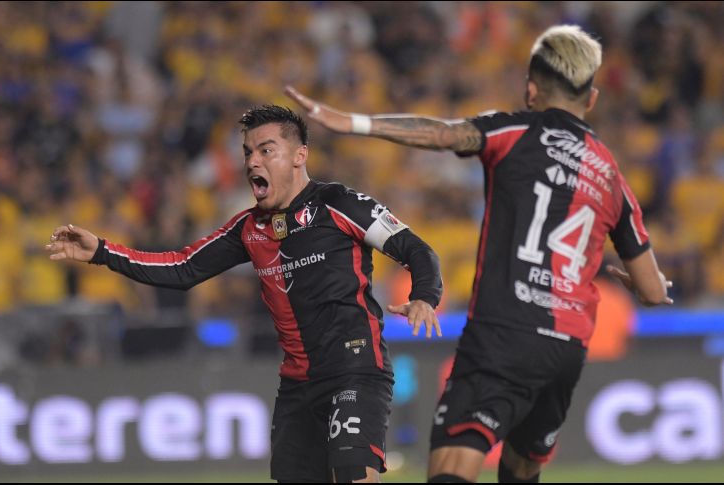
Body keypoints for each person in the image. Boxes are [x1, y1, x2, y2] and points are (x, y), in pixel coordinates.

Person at [285, 24, 673, 483]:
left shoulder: (515, 130)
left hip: (505, 330)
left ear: (531, 91)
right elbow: (653, 289)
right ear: (591, 100)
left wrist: (355, 122)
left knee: (453, 464)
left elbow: (444, 135)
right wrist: (636, 282)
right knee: (521, 467)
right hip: (565, 347)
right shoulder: (611, 174)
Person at [45, 105, 443, 483]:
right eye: (248, 152)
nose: (253, 161)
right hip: (296, 388)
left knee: (353, 473)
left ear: (299, 155)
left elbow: (415, 249)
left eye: (267, 150)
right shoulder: (248, 228)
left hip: (355, 371)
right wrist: (102, 251)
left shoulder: (337, 203)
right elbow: (182, 268)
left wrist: (425, 295)